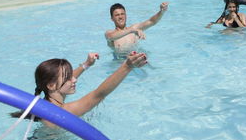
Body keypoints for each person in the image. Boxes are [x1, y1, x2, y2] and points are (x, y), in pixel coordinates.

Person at [11, 52, 147, 127]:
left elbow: (62, 81)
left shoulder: (45, 103)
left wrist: (86, 65)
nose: (74, 79)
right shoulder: (62, 112)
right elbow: (99, 94)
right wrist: (127, 67)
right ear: (51, 85)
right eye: (68, 77)